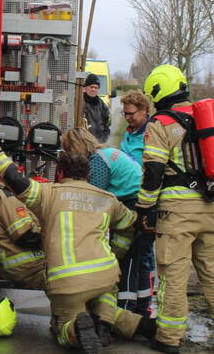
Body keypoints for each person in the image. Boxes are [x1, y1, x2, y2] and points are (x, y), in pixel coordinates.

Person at [0, 131, 155, 354]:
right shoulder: (107, 198)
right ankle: (133, 325)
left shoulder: (48, 194)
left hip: (67, 283)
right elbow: (130, 225)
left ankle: (75, 329)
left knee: (61, 328)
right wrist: (117, 252)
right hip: (104, 272)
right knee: (104, 293)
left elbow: (16, 180)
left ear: (61, 172)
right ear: (88, 174)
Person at [136, 65, 214, 354]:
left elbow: (153, 172)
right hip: (212, 205)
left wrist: (144, 207)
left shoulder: (160, 123)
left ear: (158, 91)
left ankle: (169, 338)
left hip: (177, 212)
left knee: (174, 276)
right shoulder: (208, 120)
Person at [61, 127, 153, 316]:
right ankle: (142, 309)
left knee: (129, 259)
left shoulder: (97, 161)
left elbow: (94, 197)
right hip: (143, 204)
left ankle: (126, 309)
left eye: (68, 150)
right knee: (139, 258)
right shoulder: (106, 153)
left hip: (134, 204)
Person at [0, 182, 46, 289]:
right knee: (73, 281)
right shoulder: (7, 199)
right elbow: (26, 237)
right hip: (29, 270)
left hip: (29, 267)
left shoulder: (6, 195)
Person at [120, 91, 153, 165]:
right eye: (125, 113)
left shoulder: (152, 133)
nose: (127, 117)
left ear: (144, 111)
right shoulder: (129, 131)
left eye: (131, 114)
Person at [82, 73, 111, 144]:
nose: (93, 89)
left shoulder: (102, 105)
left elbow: (107, 124)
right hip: (82, 143)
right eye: (91, 87)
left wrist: (103, 140)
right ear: (85, 88)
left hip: (98, 144)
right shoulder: (79, 102)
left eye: (96, 87)